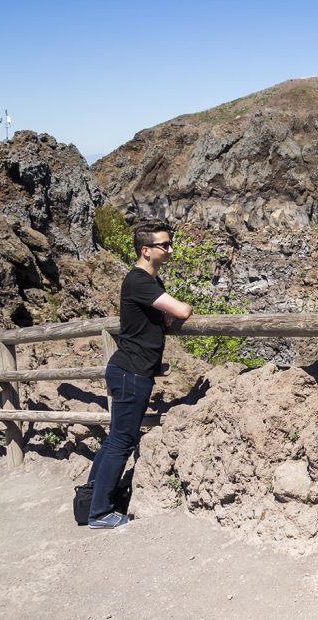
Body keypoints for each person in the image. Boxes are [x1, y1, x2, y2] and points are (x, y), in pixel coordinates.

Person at [87, 220, 193, 528]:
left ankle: (92, 498)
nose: (170, 249)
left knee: (115, 440)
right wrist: (179, 308)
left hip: (130, 370)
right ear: (145, 250)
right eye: (164, 245)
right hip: (131, 372)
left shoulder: (150, 282)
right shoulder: (139, 281)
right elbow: (181, 312)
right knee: (122, 440)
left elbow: (164, 320)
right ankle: (100, 512)